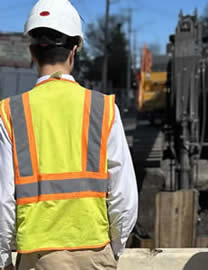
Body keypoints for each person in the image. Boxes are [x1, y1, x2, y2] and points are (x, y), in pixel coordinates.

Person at [0, 0, 138, 269]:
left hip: (38, 256)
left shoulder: (10, 112)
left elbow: (3, 197)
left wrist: (5, 257)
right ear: (74, 50)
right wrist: (113, 249)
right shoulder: (104, 108)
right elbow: (124, 195)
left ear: (31, 52)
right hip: (96, 252)